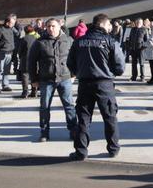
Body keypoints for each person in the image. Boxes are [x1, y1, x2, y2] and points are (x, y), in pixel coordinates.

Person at [67, 13, 125, 161]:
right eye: (109, 25)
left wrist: (79, 71)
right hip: (104, 83)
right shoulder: (110, 41)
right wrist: (109, 70)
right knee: (110, 117)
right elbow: (120, 67)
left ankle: (81, 151)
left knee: (84, 118)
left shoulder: (79, 41)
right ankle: (113, 148)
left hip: (85, 83)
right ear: (104, 25)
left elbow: (70, 63)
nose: (111, 27)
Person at [27, 18, 76, 142]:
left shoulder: (69, 41)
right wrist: (33, 79)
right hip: (46, 80)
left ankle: (73, 130)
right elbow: (31, 62)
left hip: (65, 78)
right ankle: (44, 132)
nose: (51, 29)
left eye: (53, 26)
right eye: (48, 26)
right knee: (44, 107)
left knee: (69, 105)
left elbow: (76, 58)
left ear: (59, 27)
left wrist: (74, 74)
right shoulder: (39, 42)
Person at [0, 14, 17, 93]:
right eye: (12, 23)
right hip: (1, 52)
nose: (13, 25)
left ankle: (5, 85)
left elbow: (18, 34)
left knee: (6, 71)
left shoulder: (11, 29)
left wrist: (13, 28)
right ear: (7, 22)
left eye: (14, 23)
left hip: (10, 52)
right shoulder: (0, 29)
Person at [17, 24, 40, 98]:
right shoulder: (37, 38)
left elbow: (20, 50)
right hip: (35, 59)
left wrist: (20, 56)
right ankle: (34, 91)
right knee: (34, 75)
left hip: (25, 59)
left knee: (25, 75)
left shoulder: (24, 39)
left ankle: (25, 92)